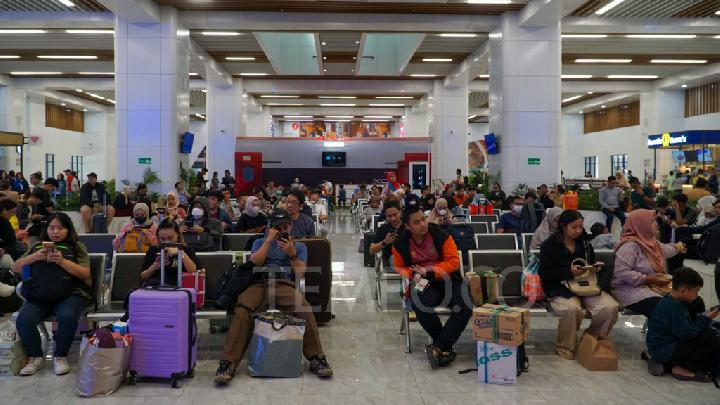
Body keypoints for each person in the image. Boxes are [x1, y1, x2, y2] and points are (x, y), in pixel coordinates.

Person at [214, 209, 333, 383]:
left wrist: (291, 254)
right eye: (278, 227)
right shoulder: (259, 242)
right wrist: (268, 240)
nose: (282, 230)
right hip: (258, 283)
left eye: (285, 226)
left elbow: (300, 273)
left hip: (283, 284)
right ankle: (228, 363)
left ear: (291, 227)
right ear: (271, 227)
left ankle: (316, 358)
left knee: (303, 307)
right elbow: (255, 262)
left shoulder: (299, 247)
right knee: (243, 310)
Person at [391, 205, 471, 368]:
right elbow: (399, 267)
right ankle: (444, 347)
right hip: (423, 281)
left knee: (465, 305)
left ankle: (440, 345)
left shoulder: (441, 235)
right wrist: (415, 274)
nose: (423, 224)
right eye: (417, 222)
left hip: (448, 278)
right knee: (420, 305)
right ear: (407, 226)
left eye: (423, 219)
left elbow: (453, 262)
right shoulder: (400, 243)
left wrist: (429, 271)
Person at [12, 212, 92, 376]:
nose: (55, 232)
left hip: (71, 293)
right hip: (40, 294)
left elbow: (85, 273)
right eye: (52, 228)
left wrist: (62, 261)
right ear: (46, 229)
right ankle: (35, 357)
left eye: (60, 228)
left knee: (67, 316)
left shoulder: (78, 247)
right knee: (24, 320)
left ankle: (60, 356)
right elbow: (15, 267)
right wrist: (32, 258)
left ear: (68, 230)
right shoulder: (36, 246)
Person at [539, 210, 619, 360]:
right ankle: (565, 346)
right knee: (571, 309)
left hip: (587, 287)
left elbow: (592, 263)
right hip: (560, 288)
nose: (578, 231)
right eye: (574, 227)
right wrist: (568, 272)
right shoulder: (550, 246)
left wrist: (595, 268)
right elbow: (545, 273)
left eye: (580, 227)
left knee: (609, 307)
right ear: (563, 226)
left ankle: (591, 339)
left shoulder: (585, 244)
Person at [646, 267, 719, 382]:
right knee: (710, 335)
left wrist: (704, 318)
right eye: (695, 291)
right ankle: (682, 368)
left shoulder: (672, 300)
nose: (696, 294)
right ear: (683, 290)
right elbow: (687, 334)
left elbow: (687, 326)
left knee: (710, 325)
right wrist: (705, 319)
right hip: (663, 350)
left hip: (661, 347)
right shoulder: (675, 307)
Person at [611, 209, 686, 318]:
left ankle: (690, 331)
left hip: (653, 286)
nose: (656, 224)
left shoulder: (652, 243)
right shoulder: (630, 246)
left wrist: (678, 247)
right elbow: (621, 273)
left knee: (691, 299)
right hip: (630, 289)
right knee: (666, 307)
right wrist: (647, 279)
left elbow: (665, 250)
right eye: (652, 221)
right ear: (641, 225)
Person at [140, 218, 199, 286]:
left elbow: (193, 272)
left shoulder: (187, 250)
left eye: (170, 238)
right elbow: (142, 277)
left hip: (180, 288)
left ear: (178, 235)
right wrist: (154, 267)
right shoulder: (153, 250)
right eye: (163, 239)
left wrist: (181, 253)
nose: (167, 242)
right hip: (156, 288)